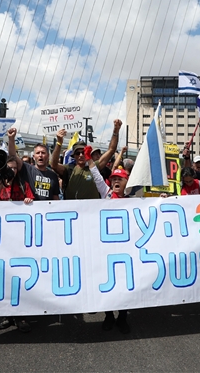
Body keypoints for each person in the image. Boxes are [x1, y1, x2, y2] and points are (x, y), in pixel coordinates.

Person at [86, 147, 132, 333]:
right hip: (106, 248)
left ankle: (122, 317)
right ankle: (108, 315)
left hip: (126, 249)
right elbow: (97, 176)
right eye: (113, 179)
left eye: (119, 179)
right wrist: (89, 160)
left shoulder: (135, 201)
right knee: (107, 282)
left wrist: (162, 199)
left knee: (125, 283)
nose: (115, 181)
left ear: (126, 182)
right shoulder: (105, 194)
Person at [0, 154, 34, 333]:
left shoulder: (24, 185)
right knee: (5, 277)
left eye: (15, 168)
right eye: (9, 168)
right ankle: (7, 314)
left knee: (20, 276)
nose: (12, 171)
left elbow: (33, 204)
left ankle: (21, 315)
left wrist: (29, 202)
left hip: (20, 238)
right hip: (3, 240)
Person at [50, 120, 121, 200]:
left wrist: (116, 131)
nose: (81, 155)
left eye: (83, 152)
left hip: (93, 210)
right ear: (74, 156)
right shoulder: (69, 169)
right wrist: (59, 143)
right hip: (73, 210)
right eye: (78, 153)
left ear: (88, 153)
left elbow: (111, 150)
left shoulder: (94, 168)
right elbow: (54, 165)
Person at [7, 128, 60, 201]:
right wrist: (11, 138)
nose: (40, 155)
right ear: (34, 157)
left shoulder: (53, 175)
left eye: (43, 153)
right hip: (31, 210)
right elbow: (13, 156)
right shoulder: (27, 169)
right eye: (38, 153)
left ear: (48, 156)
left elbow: (55, 197)